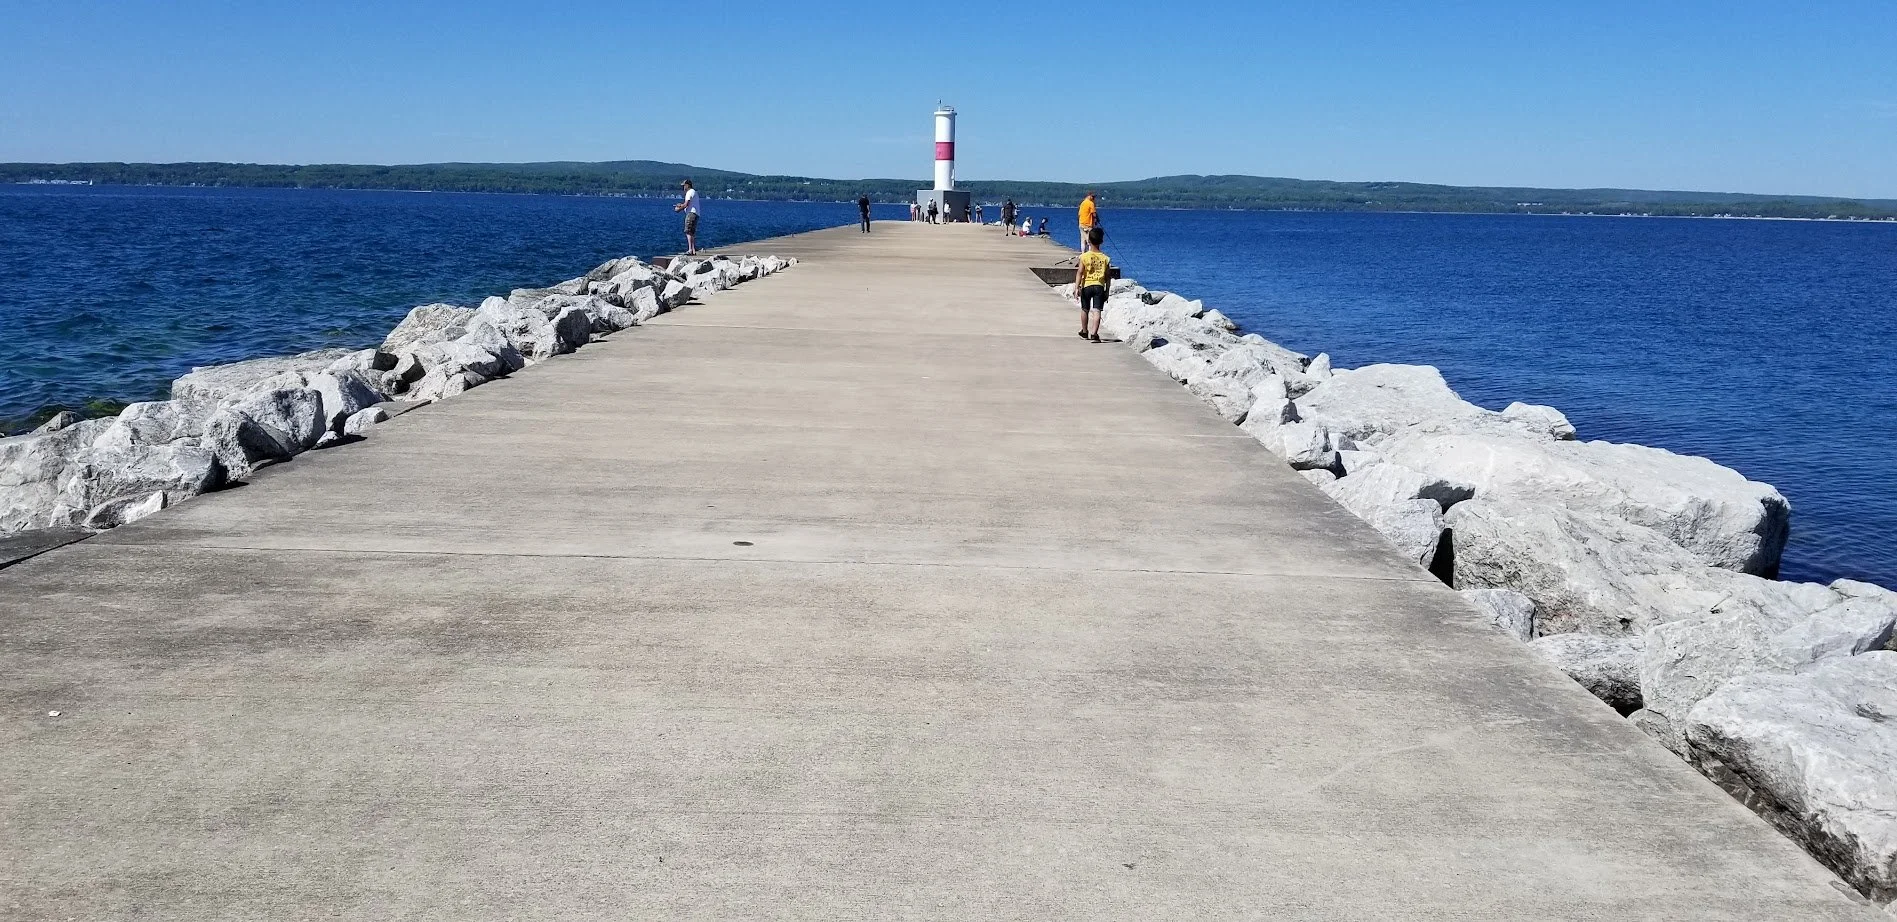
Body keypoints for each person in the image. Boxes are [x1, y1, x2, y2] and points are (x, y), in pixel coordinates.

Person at [1074, 225, 1110, 342]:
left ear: (1088, 241)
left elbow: (1080, 272)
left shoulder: (1084, 256)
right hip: (1099, 286)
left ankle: (1084, 331)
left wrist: (1077, 287)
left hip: (1086, 286)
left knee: (1085, 309)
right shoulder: (1105, 258)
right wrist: (1107, 291)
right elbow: (1108, 277)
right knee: (1097, 310)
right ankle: (1094, 333)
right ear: (1102, 241)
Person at [673, 179, 701, 255]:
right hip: (696, 213)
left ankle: (690, 250)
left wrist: (678, 209)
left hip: (691, 214)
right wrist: (681, 205)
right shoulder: (694, 192)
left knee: (688, 231)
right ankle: (693, 249)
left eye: (684, 186)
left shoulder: (689, 192)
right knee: (692, 232)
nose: (683, 188)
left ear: (687, 185)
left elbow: (686, 204)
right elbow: (688, 204)